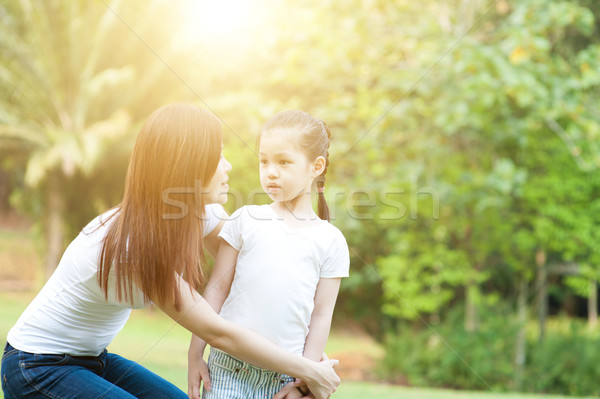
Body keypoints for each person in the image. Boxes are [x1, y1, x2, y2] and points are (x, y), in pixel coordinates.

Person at [0, 104, 340, 399]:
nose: (229, 167)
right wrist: (308, 370)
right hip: (36, 365)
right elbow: (217, 331)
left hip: (92, 359)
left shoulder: (196, 212)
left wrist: (303, 351)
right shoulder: (131, 246)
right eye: (217, 157)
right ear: (188, 166)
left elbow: (259, 274)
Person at [187, 110, 349, 399]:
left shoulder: (330, 241)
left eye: (284, 162)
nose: (271, 171)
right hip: (228, 370)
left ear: (316, 166)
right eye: (264, 161)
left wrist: (304, 383)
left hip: (283, 380)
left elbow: (321, 316)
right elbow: (216, 290)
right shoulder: (245, 219)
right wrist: (195, 354)